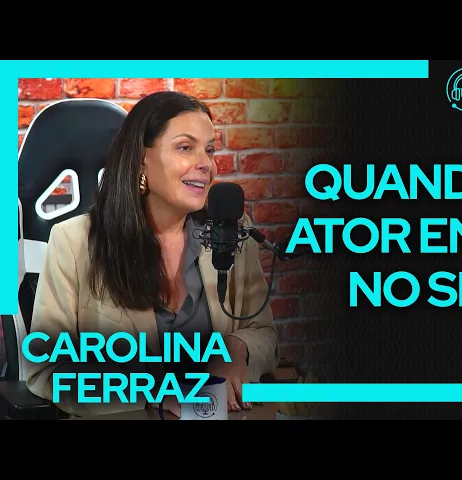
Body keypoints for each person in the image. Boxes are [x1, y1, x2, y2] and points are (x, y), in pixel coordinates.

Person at [24, 91, 279, 417]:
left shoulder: (232, 231)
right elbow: (47, 369)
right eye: (185, 147)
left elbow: (264, 334)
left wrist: (237, 348)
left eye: (210, 150)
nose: (207, 164)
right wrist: (153, 393)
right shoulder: (74, 242)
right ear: (141, 159)